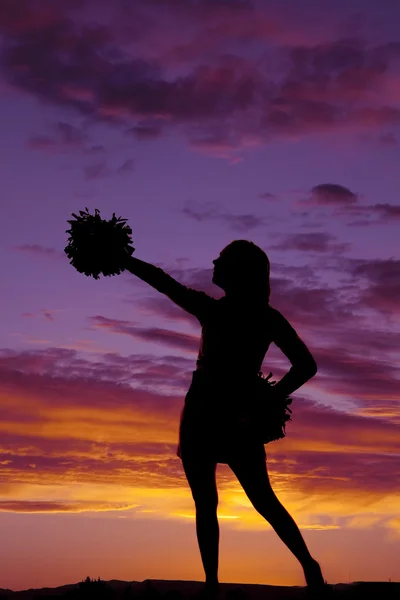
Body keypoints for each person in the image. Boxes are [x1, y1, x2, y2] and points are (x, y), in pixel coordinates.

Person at [124, 240, 328, 597]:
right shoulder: (240, 314)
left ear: (238, 272)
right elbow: (162, 282)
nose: (214, 262)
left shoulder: (246, 315)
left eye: (222, 260)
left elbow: (306, 365)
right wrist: (125, 260)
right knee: (221, 502)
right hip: (207, 412)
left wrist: (272, 396)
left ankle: (299, 566)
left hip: (230, 415)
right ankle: (214, 584)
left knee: (253, 500)